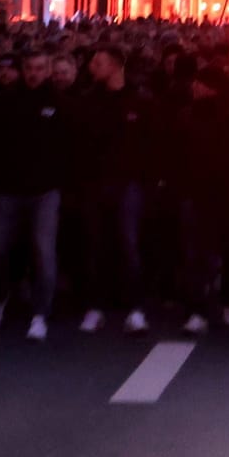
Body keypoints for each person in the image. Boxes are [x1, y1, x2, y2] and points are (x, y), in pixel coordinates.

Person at [0, 50, 70, 341]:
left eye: (40, 68)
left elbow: (68, 145)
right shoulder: (7, 100)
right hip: (9, 189)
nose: (34, 73)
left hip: (45, 190)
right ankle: (0, 296)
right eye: (29, 68)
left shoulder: (58, 101)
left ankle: (40, 313)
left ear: (47, 70)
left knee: (43, 253)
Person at [76, 47, 158, 335]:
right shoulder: (88, 100)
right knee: (95, 245)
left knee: (128, 243)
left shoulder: (140, 99)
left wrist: (149, 181)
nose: (91, 67)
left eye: (98, 62)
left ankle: (135, 309)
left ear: (114, 66)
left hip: (129, 183)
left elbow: (152, 143)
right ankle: (95, 307)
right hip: (96, 182)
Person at [176, 68, 229, 334]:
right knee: (195, 256)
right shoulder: (186, 115)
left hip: (225, 193)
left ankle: (228, 301)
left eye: (201, 83)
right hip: (195, 194)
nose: (195, 87)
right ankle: (197, 308)